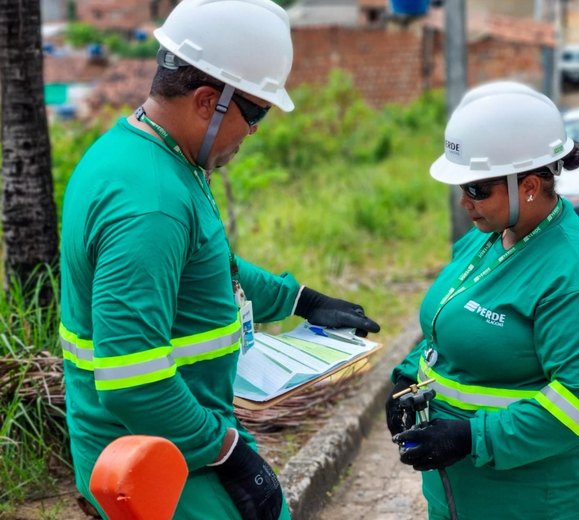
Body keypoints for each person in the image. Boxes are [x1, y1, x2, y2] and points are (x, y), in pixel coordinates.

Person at [59, 1, 380, 519]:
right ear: (208, 100)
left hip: (172, 443)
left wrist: (300, 299)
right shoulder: (151, 203)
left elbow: (209, 265)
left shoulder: (147, 157)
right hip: (160, 465)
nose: (254, 132)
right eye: (256, 113)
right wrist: (228, 454)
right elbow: (132, 380)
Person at [384, 81, 579, 520]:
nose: (464, 203)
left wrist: (471, 438)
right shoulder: (490, 238)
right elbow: (447, 327)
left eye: (477, 190)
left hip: (526, 499)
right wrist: (408, 379)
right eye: (462, 188)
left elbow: (577, 405)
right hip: (458, 493)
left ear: (530, 185)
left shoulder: (577, 277)